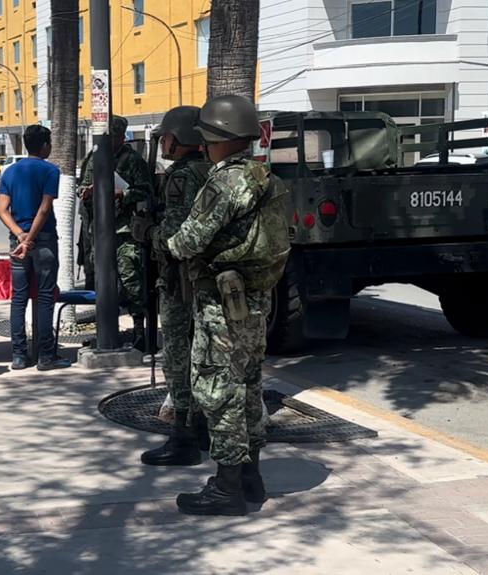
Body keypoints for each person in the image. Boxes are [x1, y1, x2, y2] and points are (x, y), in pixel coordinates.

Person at [163, 95, 291, 516]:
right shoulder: (265, 177)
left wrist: (171, 242)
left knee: (217, 388)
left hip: (222, 303)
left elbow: (188, 241)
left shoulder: (224, 182)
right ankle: (251, 478)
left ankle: (227, 486)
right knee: (250, 384)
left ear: (217, 138)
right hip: (255, 299)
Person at [131, 106, 212, 467]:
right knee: (205, 358)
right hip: (207, 281)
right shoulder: (213, 171)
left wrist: (146, 231)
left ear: (179, 140)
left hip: (181, 281)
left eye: (165, 136)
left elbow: (177, 236)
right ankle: (205, 428)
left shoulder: (181, 177)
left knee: (178, 358)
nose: (162, 141)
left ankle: (183, 436)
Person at [76, 115, 155, 350]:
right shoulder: (93, 157)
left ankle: (140, 333)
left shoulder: (132, 160)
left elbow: (146, 190)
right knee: (101, 284)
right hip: (98, 230)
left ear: (122, 137)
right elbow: (82, 185)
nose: (112, 141)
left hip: (125, 231)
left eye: (116, 137)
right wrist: (86, 191)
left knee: (131, 282)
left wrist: (123, 194)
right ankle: (107, 332)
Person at [0, 124, 71, 371]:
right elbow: (45, 208)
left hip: (17, 242)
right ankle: (46, 356)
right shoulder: (51, 171)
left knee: (19, 298)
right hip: (44, 239)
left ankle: (19, 355)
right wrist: (31, 239)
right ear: (45, 145)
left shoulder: (9, 172)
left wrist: (20, 236)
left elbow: (1, 210)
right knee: (46, 295)